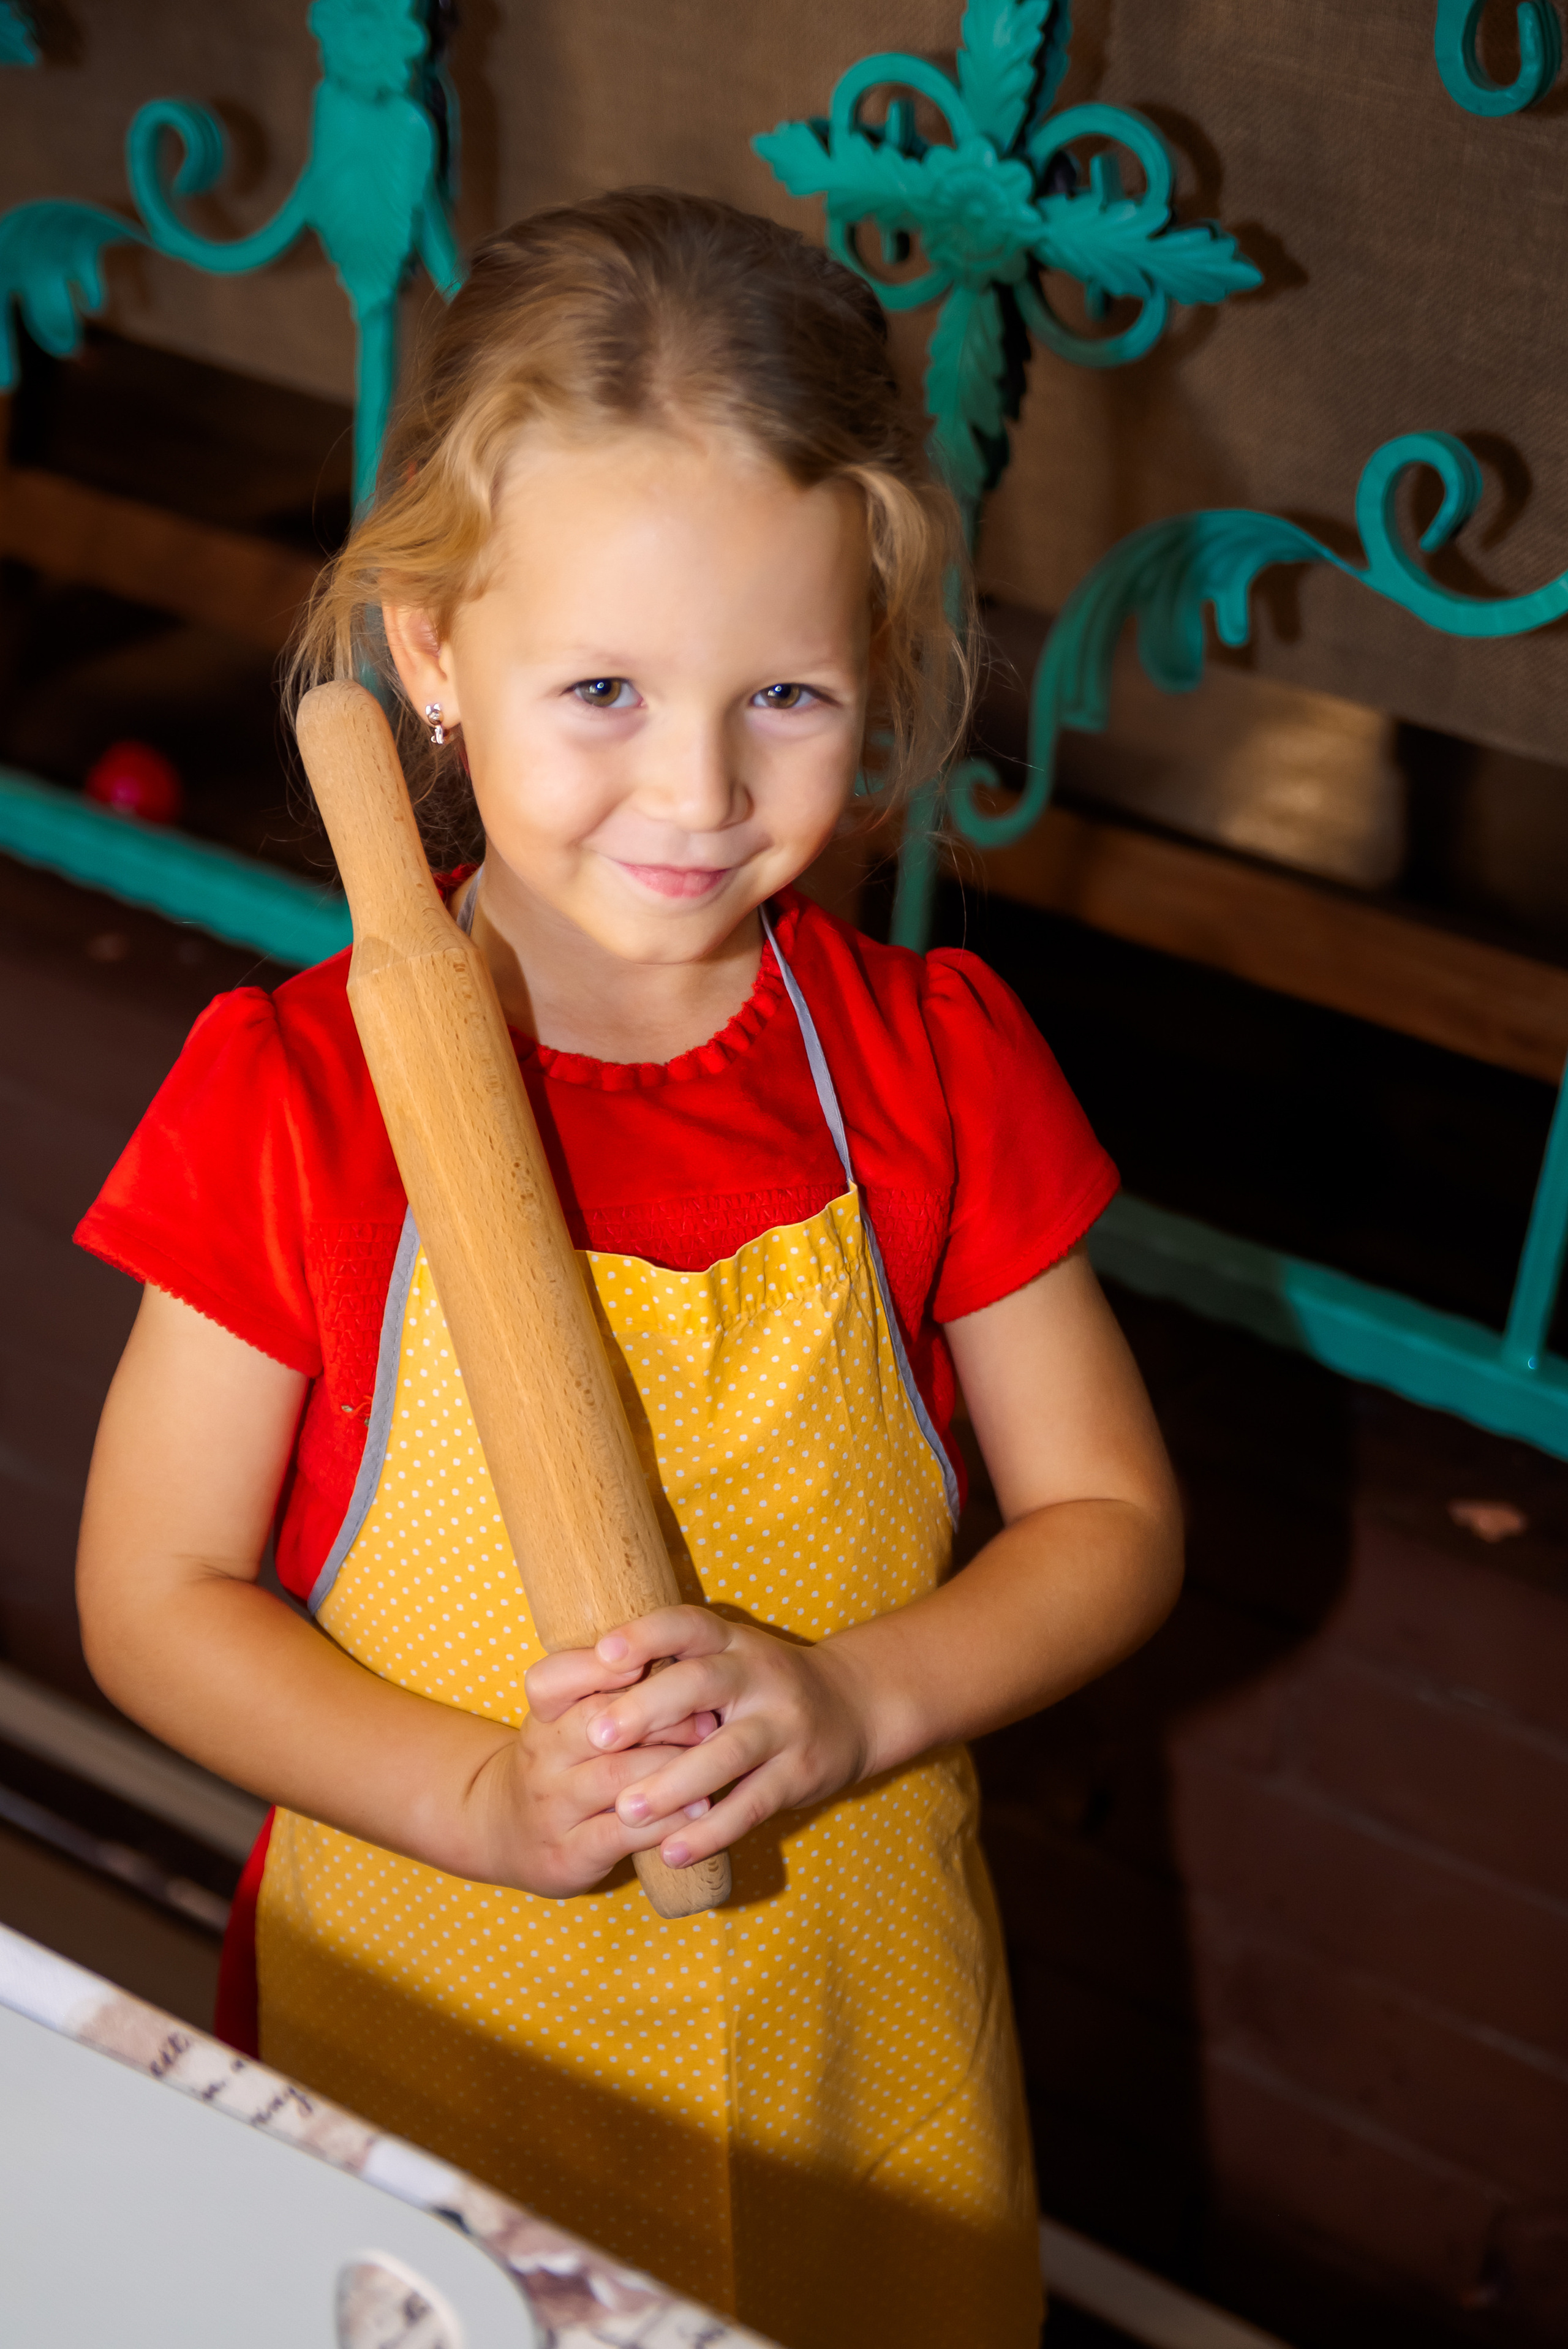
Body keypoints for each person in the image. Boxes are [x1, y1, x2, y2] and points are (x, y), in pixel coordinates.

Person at [75, 190, 1183, 2349]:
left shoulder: (934, 1063)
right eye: (602, 688)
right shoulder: (294, 1098)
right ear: (430, 655)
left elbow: (1113, 1519)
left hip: (854, 2042)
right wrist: (476, 1797)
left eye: (785, 694)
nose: (696, 788)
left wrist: (859, 1700)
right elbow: (152, 1596)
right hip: (440, 2031)